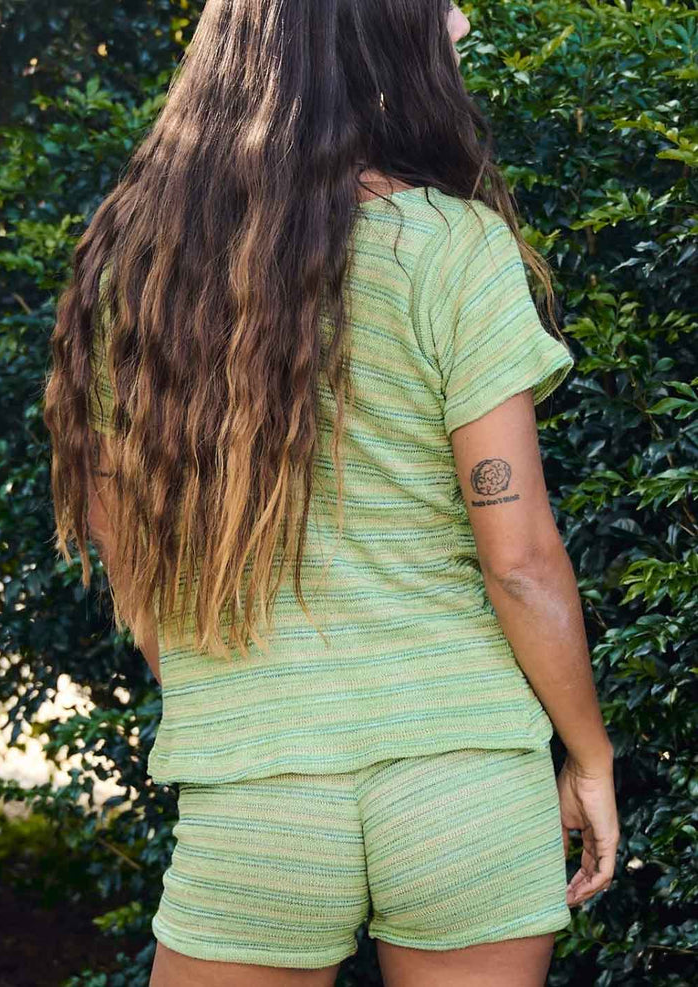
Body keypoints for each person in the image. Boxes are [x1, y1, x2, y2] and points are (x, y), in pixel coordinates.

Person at [43, 1, 620, 985]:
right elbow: (519, 558)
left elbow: (121, 537)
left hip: (257, 786)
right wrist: (591, 757)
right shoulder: (454, 247)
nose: (460, 22)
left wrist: (230, 694)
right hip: (462, 772)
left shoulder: (142, 271)